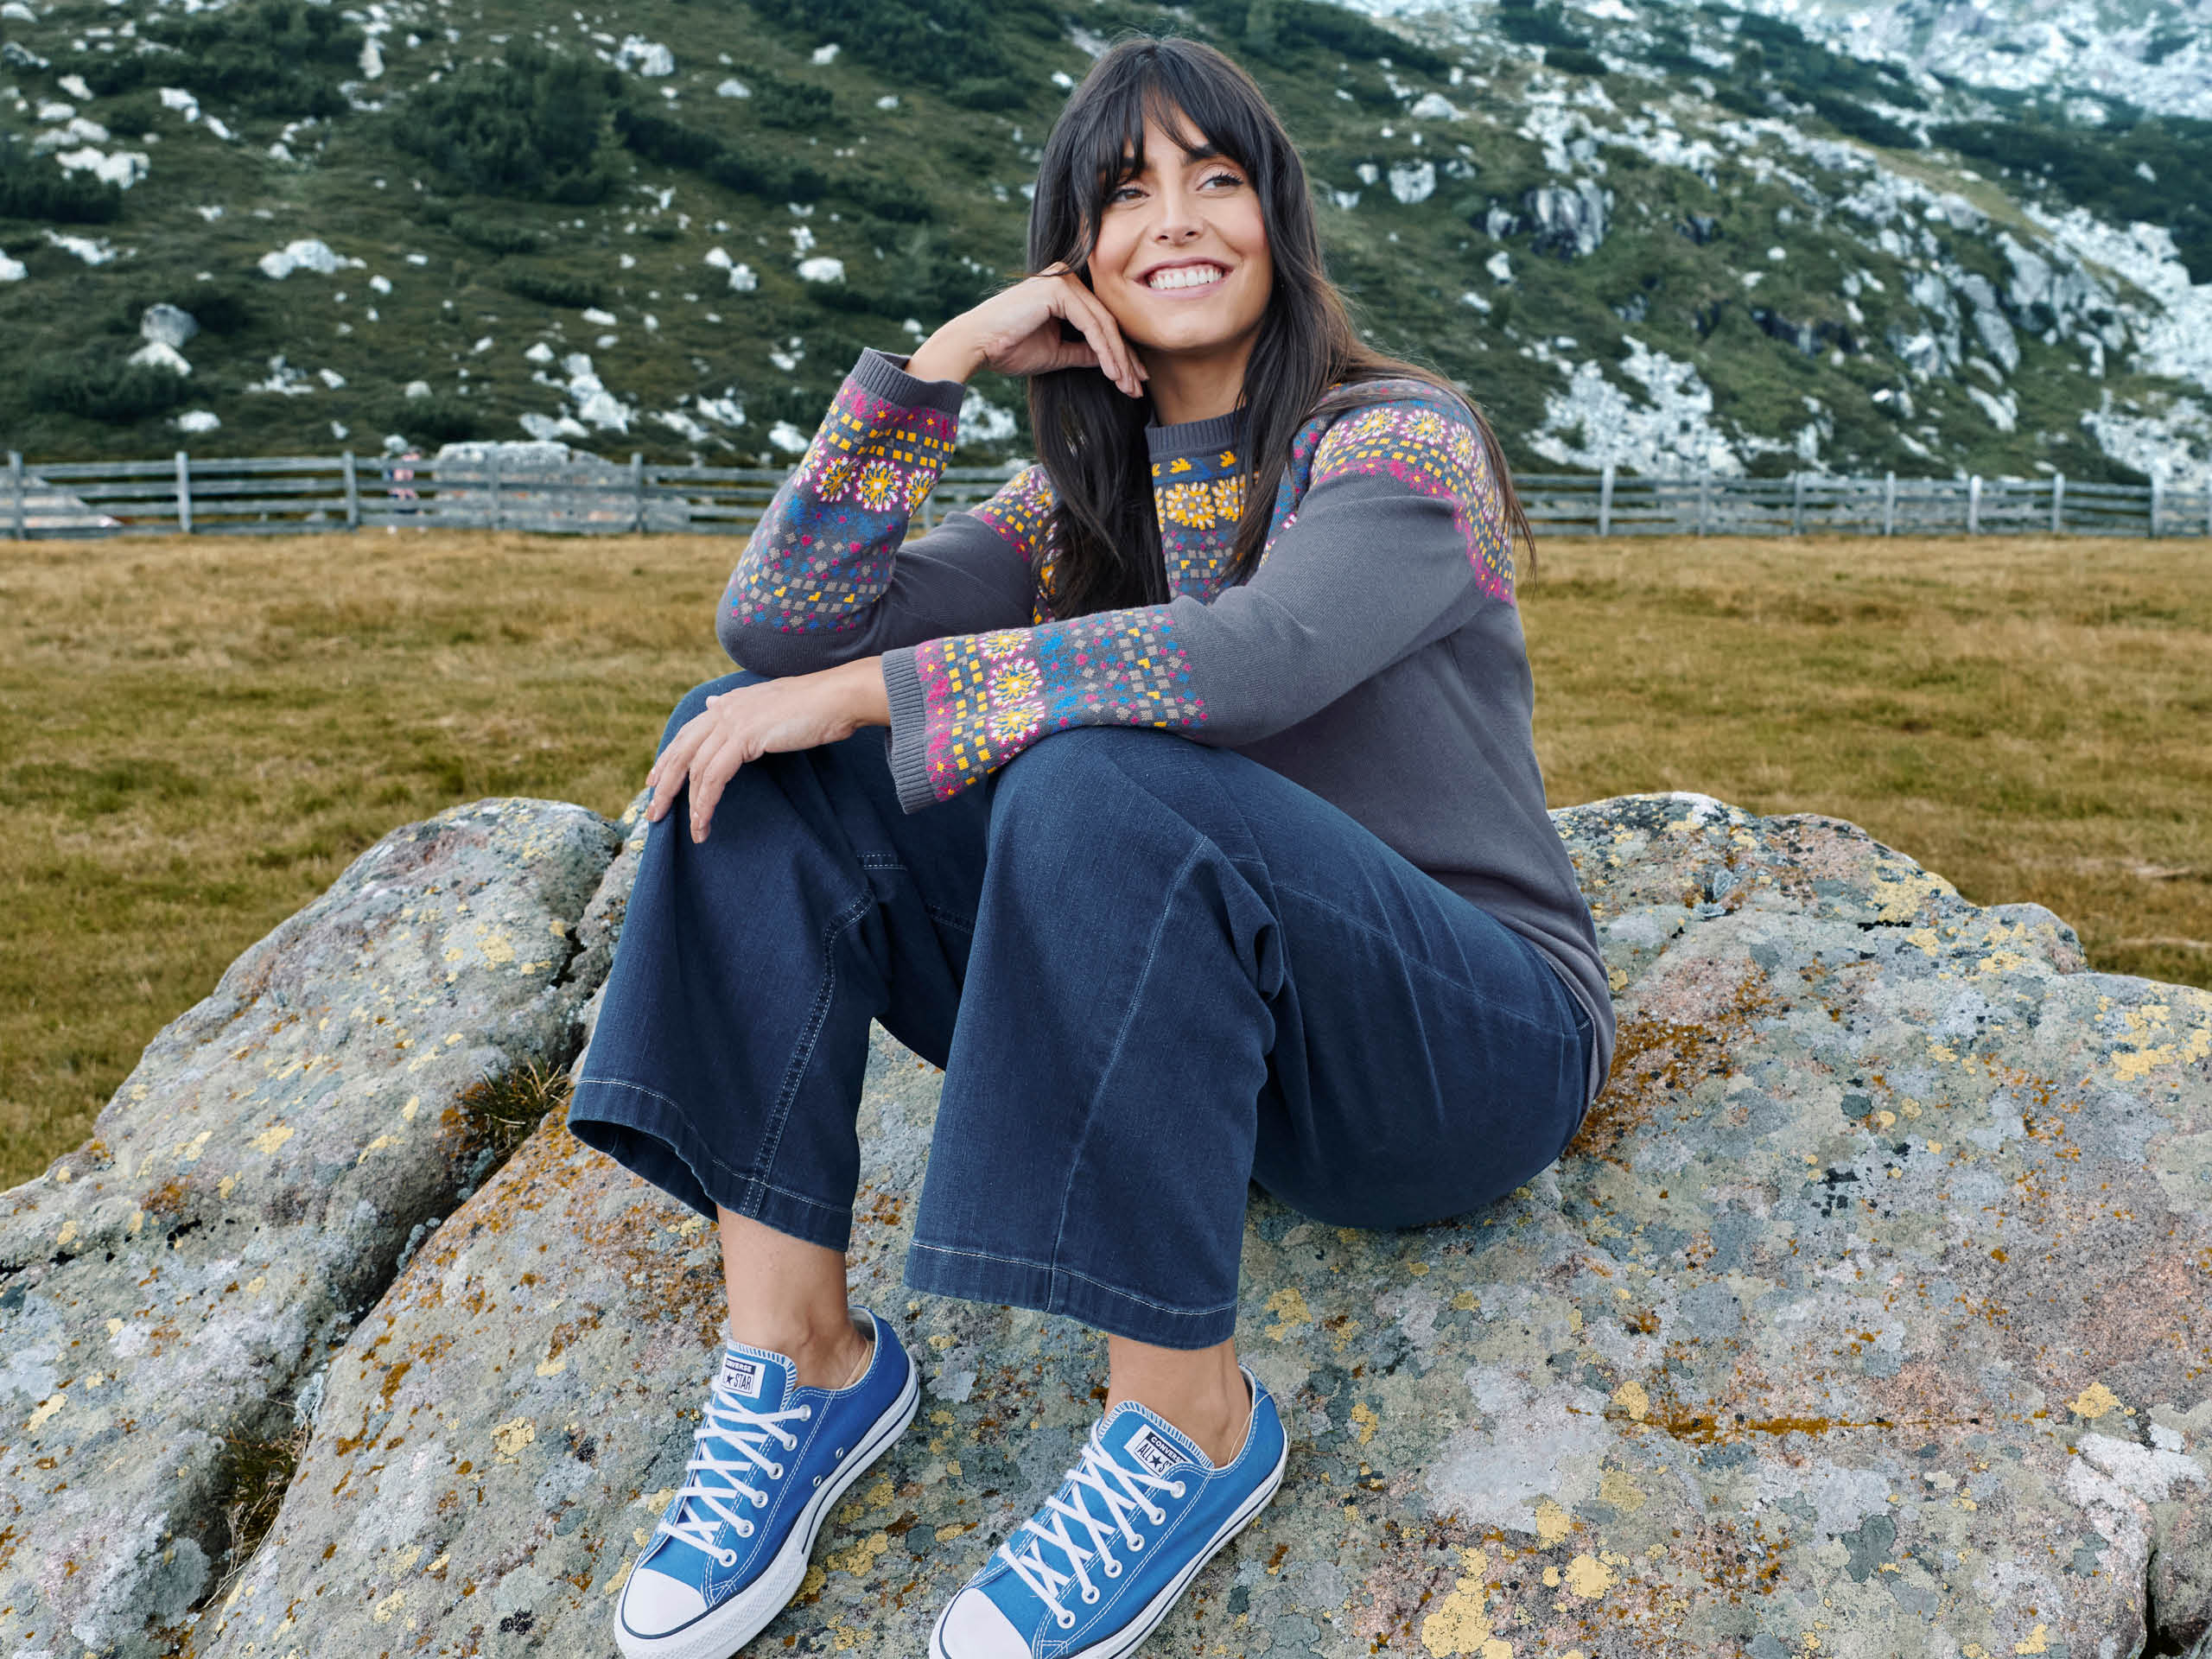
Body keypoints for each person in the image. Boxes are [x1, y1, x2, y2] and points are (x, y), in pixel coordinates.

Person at [570, 32, 1616, 1659]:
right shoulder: (1077, 514)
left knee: (1088, 771)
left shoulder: (1398, 441)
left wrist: (874, 690)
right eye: (1126, 194)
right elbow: (775, 631)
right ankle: (808, 1363)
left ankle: (1189, 1425)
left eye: (1218, 179)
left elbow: (1250, 661)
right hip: (1225, 1062)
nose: (1178, 220)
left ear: (1280, 216)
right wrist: (936, 366)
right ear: (1076, 252)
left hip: (1463, 1051)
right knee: (747, 747)